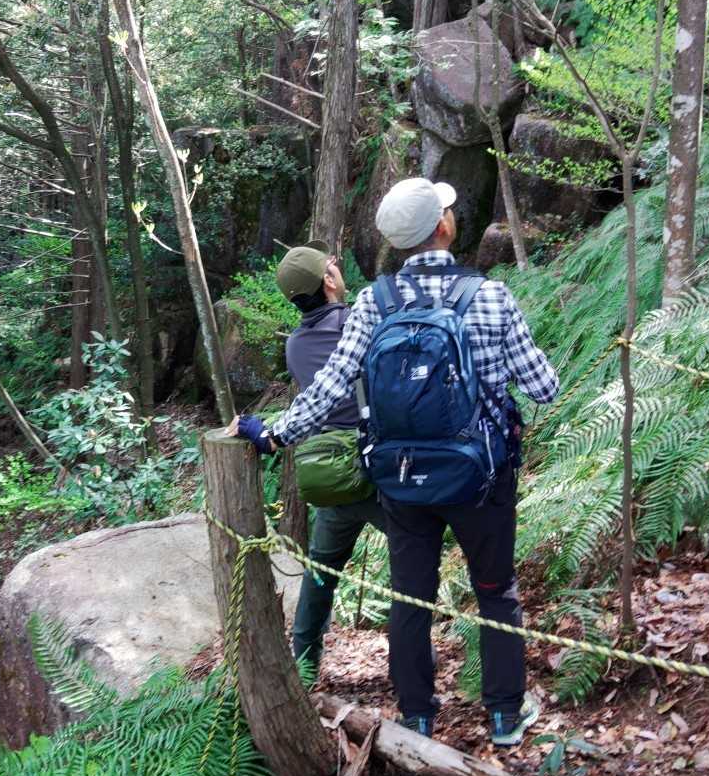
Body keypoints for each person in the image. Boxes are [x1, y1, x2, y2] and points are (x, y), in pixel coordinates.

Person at [234, 178, 558, 747]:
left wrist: (275, 435)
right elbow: (544, 387)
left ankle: (417, 717)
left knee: (410, 595)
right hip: (480, 477)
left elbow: (331, 387)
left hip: (401, 478)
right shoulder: (489, 296)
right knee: (494, 589)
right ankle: (505, 716)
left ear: (396, 240)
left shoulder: (372, 303)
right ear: (443, 226)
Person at [271, 242, 387, 678]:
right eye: (331, 266)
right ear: (329, 281)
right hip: (376, 470)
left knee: (321, 571)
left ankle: (304, 665)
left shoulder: (295, 346)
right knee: (414, 556)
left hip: (331, 475)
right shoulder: (361, 324)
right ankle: (415, 659)